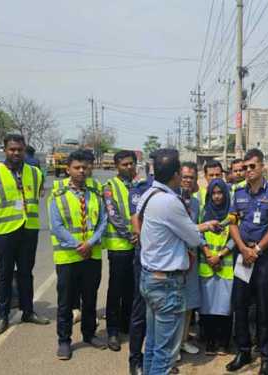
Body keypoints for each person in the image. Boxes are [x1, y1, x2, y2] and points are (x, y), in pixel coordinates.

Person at [138, 149, 219, 375]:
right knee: (165, 355)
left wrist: (201, 226)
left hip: (150, 277)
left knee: (153, 345)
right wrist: (200, 229)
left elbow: (173, 229)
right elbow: (193, 238)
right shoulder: (169, 202)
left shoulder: (149, 194)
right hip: (166, 284)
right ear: (175, 174)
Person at [226, 148, 268, 375]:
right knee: (240, 304)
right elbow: (232, 222)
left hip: (265, 257)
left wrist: (257, 249)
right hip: (243, 255)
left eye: (252, 166)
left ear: (261, 166)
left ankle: (267, 355)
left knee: (265, 306)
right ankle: (243, 350)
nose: (248, 171)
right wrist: (242, 248)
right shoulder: (238, 193)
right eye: (246, 167)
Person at [0, 134, 49, 335]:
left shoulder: (36, 173)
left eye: (19, 149)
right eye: (12, 149)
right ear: (5, 150)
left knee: (26, 272)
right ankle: (3, 316)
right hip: (4, 231)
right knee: (4, 273)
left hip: (28, 229)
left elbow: (36, 196)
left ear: (24, 150)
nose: (16, 153)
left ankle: (27, 311)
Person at [50, 150, 108, 360]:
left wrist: (90, 243)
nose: (82, 171)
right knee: (65, 302)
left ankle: (89, 334)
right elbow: (56, 225)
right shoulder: (58, 192)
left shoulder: (96, 191)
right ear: (68, 169)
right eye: (77, 167)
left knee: (90, 298)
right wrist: (78, 245)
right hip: (68, 257)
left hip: (91, 256)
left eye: (85, 167)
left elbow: (103, 221)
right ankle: (64, 341)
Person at [103, 150, 139, 351]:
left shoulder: (139, 186)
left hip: (136, 247)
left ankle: (127, 324)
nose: (129, 167)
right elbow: (113, 215)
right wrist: (130, 234)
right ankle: (113, 331)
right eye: (124, 164)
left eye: (131, 163)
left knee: (132, 289)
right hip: (119, 247)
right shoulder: (109, 187)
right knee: (115, 290)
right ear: (117, 166)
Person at [199, 179, 235, 356]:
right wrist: (208, 255)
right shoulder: (203, 211)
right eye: (213, 193)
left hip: (225, 267)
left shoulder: (232, 214)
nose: (217, 196)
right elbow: (198, 234)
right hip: (207, 266)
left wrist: (220, 256)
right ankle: (210, 342)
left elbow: (236, 238)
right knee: (207, 307)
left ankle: (224, 343)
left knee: (225, 308)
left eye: (220, 192)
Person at [127, 173, 155, 375]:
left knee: (159, 313)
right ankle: (135, 359)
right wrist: (141, 238)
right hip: (145, 256)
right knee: (140, 309)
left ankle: (157, 360)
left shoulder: (173, 192)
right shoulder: (141, 189)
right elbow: (135, 216)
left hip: (165, 259)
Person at [178, 161, 202, 356]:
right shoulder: (170, 200)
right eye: (185, 177)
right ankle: (172, 347)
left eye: (191, 178)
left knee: (188, 303)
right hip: (175, 259)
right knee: (174, 305)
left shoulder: (195, 203)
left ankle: (184, 340)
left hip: (192, 258)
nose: (187, 181)